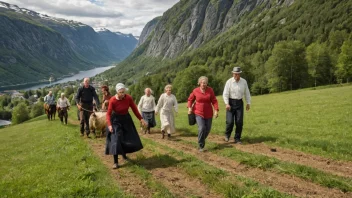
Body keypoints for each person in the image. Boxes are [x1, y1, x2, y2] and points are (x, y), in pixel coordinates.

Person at [105, 83, 147, 169]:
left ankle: (124, 154)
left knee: (126, 138)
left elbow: (134, 109)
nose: (122, 94)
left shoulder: (128, 98)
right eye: (120, 92)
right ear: (117, 92)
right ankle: (115, 162)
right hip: (116, 120)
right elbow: (108, 114)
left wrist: (141, 119)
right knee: (116, 139)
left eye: (123, 92)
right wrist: (109, 125)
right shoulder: (112, 100)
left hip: (126, 119)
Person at [188, 76, 219, 152]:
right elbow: (190, 100)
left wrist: (216, 110)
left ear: (207, 83)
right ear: (199, 83)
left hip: (208, 113)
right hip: (198, 112)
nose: (203, 84)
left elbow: (214, 101)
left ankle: (200, 138)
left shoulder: (210, 90)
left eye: (204, 83)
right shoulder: (195, 90)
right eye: (201, 82)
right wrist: (189, 108)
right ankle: (201, 145)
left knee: (207, 129)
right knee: (202, 128)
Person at [222, 67, 251, 144]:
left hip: (239, 103)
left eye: (237, 74)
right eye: (234, 74)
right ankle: (227, 135)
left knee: (239, 122)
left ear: (239, 74)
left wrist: (248, 103)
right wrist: (226, 103)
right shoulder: (229, 82)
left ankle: (237, 138)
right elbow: (225, 94)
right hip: (230, 103)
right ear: (233, 74)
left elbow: (247, 93)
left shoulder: (244, 82)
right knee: (230, 121)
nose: (236, 75)